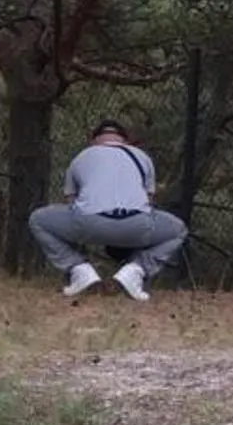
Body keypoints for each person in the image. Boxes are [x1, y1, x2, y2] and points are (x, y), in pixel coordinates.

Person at [28, 120, 188, 301]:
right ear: (125, 141)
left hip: (89, 223)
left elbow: (71, 200)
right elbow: (148, 201)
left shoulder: (82, 157)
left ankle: (78, 268)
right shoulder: (141, 157)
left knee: (38, 220)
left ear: (94, 140)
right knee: (178, 229)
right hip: (136, 225)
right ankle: (137, 270)